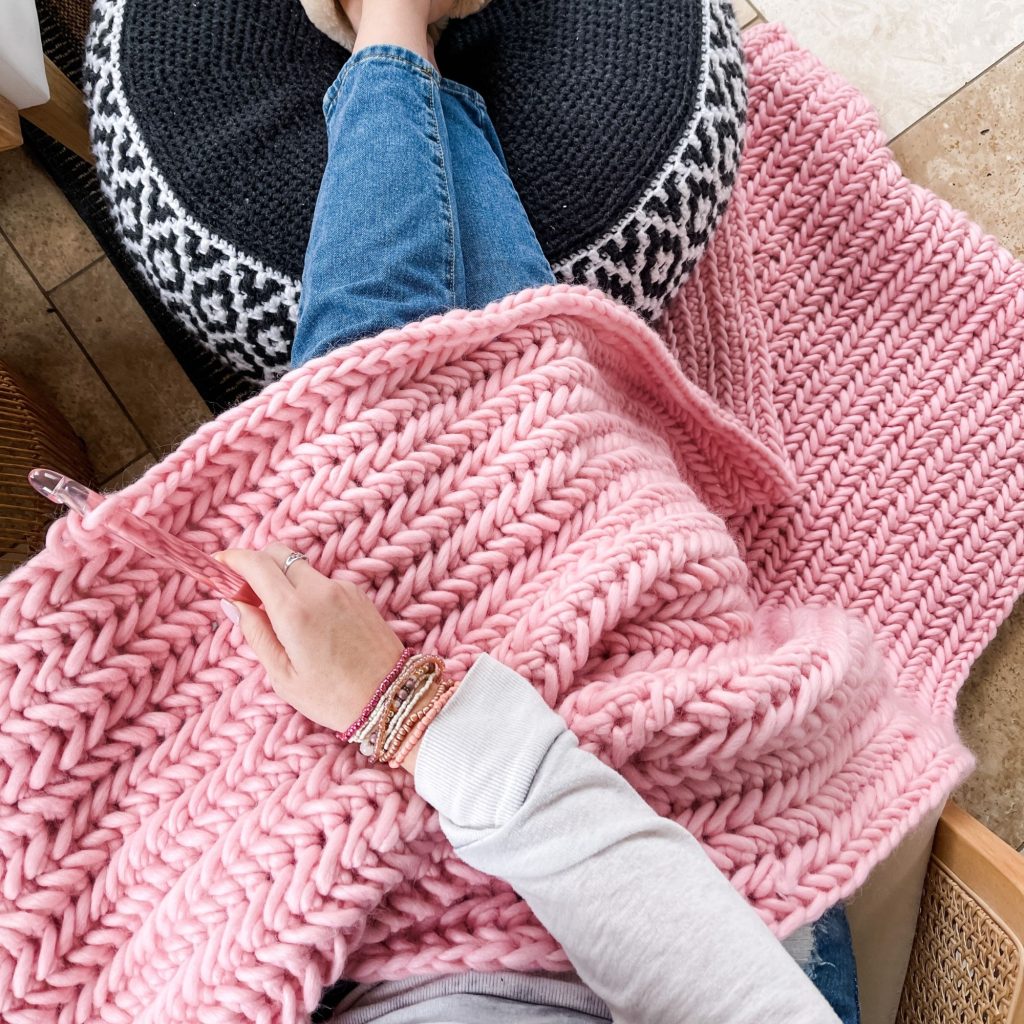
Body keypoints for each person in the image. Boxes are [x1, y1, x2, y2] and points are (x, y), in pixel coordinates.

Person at [218, 1, 859, 1020]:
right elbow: (720, 979)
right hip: (694, 881)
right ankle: (397, 30)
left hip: (362, 910)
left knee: (418, 433)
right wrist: (404, 710)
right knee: (486, 437)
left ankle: (398, 41)